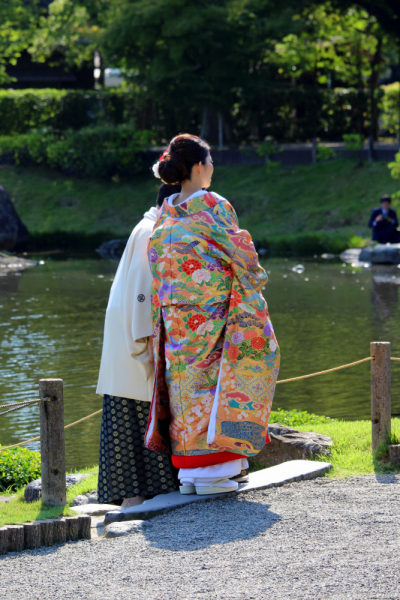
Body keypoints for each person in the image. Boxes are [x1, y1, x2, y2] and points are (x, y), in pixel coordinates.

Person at [145, 134, 280, 496]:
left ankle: (191, 473)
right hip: (212, 313)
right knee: (217, 384)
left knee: (184, 390)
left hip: (174, 318)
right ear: (200, 166)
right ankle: (214, 471)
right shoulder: (210, 203)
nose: (213, 168)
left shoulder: (167, 209)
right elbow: (240, 252)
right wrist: (253, 282)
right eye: (211, 161)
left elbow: (157, 261)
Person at [96, 183, 180, 509]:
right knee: (138, 419)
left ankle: (136, 498)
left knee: (130, 421)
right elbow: (142, 292)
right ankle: (137, 500)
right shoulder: (151, 232)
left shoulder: (147, 227)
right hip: (135, 339)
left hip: (126, 337)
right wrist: (145, 343)